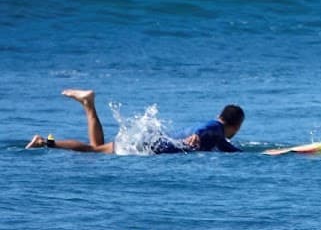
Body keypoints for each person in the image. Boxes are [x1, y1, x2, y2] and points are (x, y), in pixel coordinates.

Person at [25, 89, 243, 154]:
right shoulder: (214, 129)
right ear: (236, 125)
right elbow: (205, 130)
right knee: (93, 151)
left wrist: (263, 154)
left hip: (151, 142)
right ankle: (45, 142)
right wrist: (197, 135)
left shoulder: (219, 135)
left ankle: (88, 104)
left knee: (97, 149)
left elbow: (229, 149)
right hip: (150, 145)